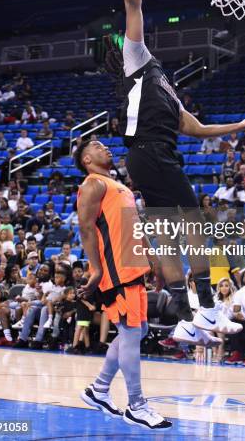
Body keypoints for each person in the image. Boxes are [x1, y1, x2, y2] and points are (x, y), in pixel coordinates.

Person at [104, 0, 245, 349]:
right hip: (153, 155)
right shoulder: (136, 58)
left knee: (167, 231)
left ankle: (184, 316)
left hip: (147, 159)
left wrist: (243, 127)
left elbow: (198, 128)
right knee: (193, 223)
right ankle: (210, 308)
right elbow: (133, 3)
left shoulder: (168, 89)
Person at [75, 137, 172, 430]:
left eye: (103, 143)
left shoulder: (121, 187)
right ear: (86, 160)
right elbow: (85, 227)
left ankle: (99, 389)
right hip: (116, 270)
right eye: (95, 146)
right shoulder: (93, 184)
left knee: (138, 329)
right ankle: (137, 405)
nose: (104, 147)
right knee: (131, 332)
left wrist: (152, 259)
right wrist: (94, 268)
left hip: (133, 266)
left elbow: (134, 226)